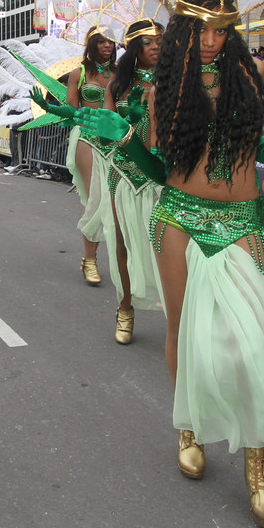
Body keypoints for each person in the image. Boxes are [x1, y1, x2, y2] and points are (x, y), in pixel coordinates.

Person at [74, 0, 264, 528]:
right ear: (184, 30)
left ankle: (258, 469)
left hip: (241, 221)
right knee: (183, 328)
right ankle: (189, 429)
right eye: (203, 29)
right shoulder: (163, 86)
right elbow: (159, 168)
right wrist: (123, 140)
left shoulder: (247, 78)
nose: (212, 40)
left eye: (222, 31)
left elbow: (259, 144)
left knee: (252, 342)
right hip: (180, 218)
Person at [102, 18, 163, 344]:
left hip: (162, 175)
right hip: (124, 173)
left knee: (168, 245)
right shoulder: (117, 86)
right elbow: (104, 135)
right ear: (134, 47)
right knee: (123, 242)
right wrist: (126, 122)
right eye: (148, 41)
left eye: (160, 40)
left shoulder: (176, 81)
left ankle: (179, 312)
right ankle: (125, 308)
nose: (156, 46)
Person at [62, 27, 116, 286]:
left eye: (111, 41)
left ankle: (124, 262)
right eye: (102, 41)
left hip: (116, 140)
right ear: (92, 44)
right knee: (95, 197)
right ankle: (90, 260)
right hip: (87, 138)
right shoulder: (79, 73)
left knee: (116, 201)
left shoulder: (121, 74)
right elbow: (71, 108)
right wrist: (59, 110)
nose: (108, 45)